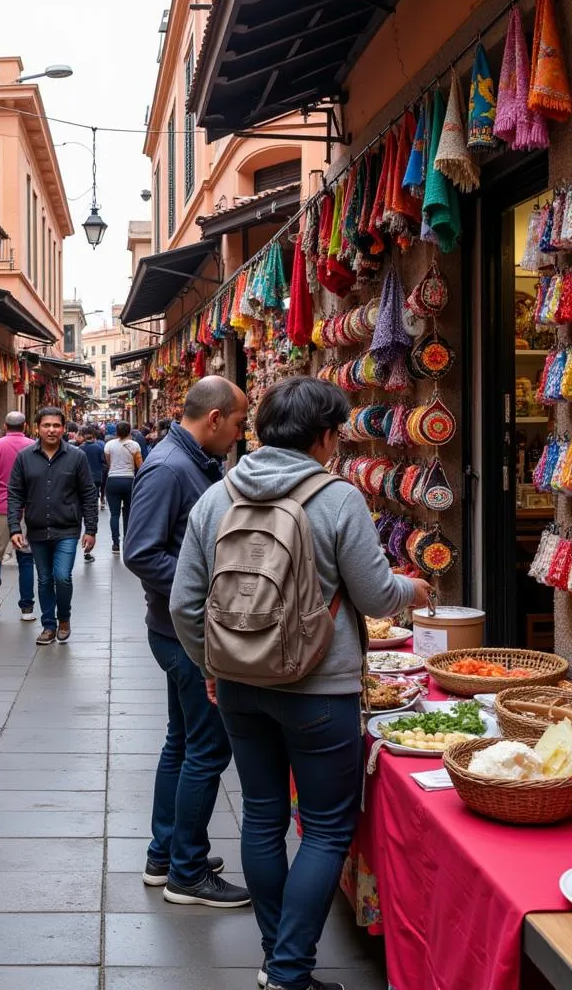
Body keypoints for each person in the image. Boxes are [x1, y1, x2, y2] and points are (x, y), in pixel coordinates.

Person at [170, 376, 432, 990]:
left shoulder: (218, 496)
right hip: (320, 690)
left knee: (261, 816)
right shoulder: (337, 499)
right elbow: (373, 595)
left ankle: (276, 955)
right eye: (336, 432)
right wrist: (412, 590)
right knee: (326, 826)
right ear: (322, 435)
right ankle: (288, 970)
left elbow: (185, 603)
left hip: (237, 684)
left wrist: (212, 663)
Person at [124, 376, 251, 909]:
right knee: (207, 748)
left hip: (176, 628)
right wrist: (205, 582)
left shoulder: (187, 462)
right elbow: (141, 552)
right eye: (240, 424)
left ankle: (166, 853)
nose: (241, 436)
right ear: (216, 417)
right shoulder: (170, 468)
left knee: (183, 742)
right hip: (182, 633)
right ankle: (188, 872)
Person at [8, 407, 98, 644]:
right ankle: (49, 625)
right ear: (36, 428)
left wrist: (91, 529)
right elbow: (15, 494)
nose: (51, 430)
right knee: (45, 579)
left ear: (63, 428)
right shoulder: (24, 457)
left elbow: (89, 493)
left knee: (62, 576)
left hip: (67, 528)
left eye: (56, 425)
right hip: (37, 529)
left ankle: (64, 618)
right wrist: (14, 528)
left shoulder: (77, 457)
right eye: (46, 425)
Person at [0, 412, 37, 621]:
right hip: (28, 508)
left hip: (2, 506)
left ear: (5, 426)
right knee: (25, 558)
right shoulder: (33, 446)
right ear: (26, 425)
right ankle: (27, 609)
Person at [104, 421, 142, 554]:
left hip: (113, 480)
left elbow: (108, 461)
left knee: (114, 514)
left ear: (116, 432)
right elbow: (139, 465)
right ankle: (127, 541)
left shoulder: (109, 445)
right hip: (129, 481)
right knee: (128, 512)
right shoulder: (135, 445)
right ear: (129, 431)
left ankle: (115, 544)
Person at [79, 426, 106, 561]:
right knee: (92, 497)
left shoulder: (80, 449)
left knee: (86, 498)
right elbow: (103, 462)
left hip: (83, 478)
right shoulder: (99, 448)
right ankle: (96, 504)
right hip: (96, 477)